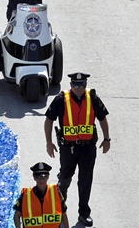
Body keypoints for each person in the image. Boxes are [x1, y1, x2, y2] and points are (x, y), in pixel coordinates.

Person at [44, 72, 111, 227]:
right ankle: (59, 212)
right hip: (68, 149)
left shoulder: (93, 98)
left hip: (88, 148)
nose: (79, 88)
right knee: (65, 181)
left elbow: (102, 118)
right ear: (71, 85)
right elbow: (48, 120)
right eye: (76, 85)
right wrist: (49, 142)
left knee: (85, 181)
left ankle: (84, 214)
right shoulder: (61, 99)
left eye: (82, 85)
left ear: (86, 85)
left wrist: (107, 139)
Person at [13, 162, 69, 228]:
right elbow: (16, 215)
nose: (41, 180)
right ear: (34, 178)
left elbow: (64, 214)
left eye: (44, 177)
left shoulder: (55, 192)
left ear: (48, 177)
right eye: (38, 177)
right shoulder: (26, 195)